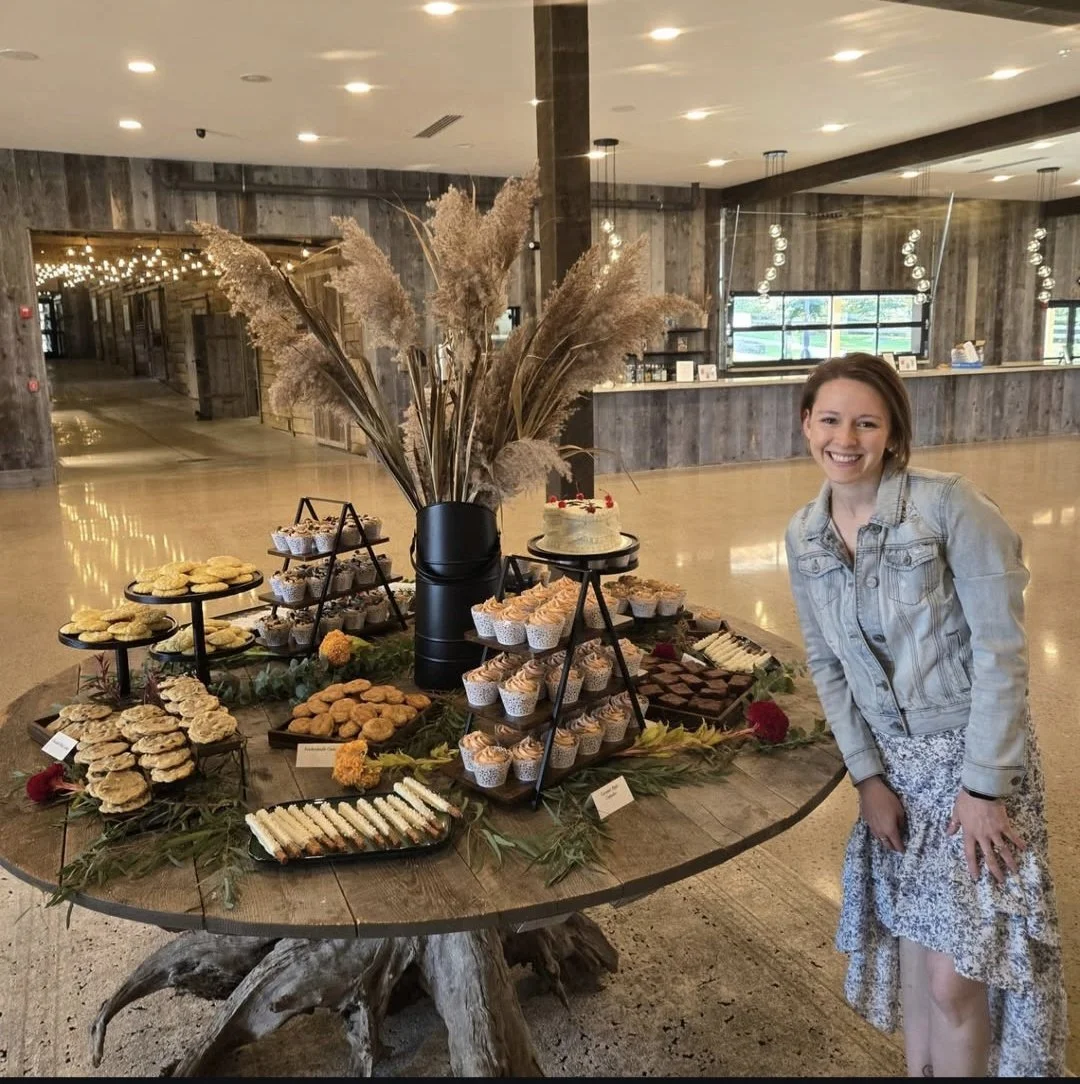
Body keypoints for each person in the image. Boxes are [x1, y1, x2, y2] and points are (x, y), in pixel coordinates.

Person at [785, 354, 1066, 1077]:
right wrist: (866, 778)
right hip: (894, 774)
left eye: (866, 423)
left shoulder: (949, 507)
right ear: (807, 424)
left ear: (893, 433)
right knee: (914, 948)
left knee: (956, 978)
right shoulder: (804, 536)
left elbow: (1002, 651)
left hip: (971, 763)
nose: (846, 439)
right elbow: (826, 664)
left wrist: (984, 789)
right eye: (830, 419)